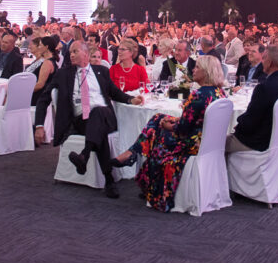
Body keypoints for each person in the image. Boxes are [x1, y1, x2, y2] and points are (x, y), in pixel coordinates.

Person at [110, 56, 227, 211]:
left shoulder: (198, 95)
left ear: (205, 72)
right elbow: (195, 122)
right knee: (157, 118)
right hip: (206, 141)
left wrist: (168, 126)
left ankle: (135, 157)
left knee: (156, 132)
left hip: (191, 143)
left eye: (197, 67)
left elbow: (182, 129)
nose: (193, 70)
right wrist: (168, 122)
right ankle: (133, 155)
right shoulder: (220, 93)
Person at [33, 42, 143, 199]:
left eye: (75, 51)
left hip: (106, 116)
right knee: (98, 130)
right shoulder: (63, 74)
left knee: (98, 113)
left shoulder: (101, 71)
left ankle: (85, 155)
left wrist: (132, 100)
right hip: (80, 120)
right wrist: (39, 125)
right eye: (70, 52)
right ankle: (108, 179)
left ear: (85, 53)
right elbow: (43, 99)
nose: (70, 55)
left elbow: (115, 93)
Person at [226, 46, 278, 152]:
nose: (262, 61)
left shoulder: (264, 87)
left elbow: (250, 121)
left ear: (270, 62)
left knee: (216, 144)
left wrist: (237, 125)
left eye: (264, 58)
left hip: (258, 142)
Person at [26, 35, 58, 106]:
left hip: (38, 98)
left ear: (46, 47)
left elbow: (40, 85)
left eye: (40, 45)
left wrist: (25, 92)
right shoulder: (50, 61)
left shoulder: (47, 63)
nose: (38, 47)